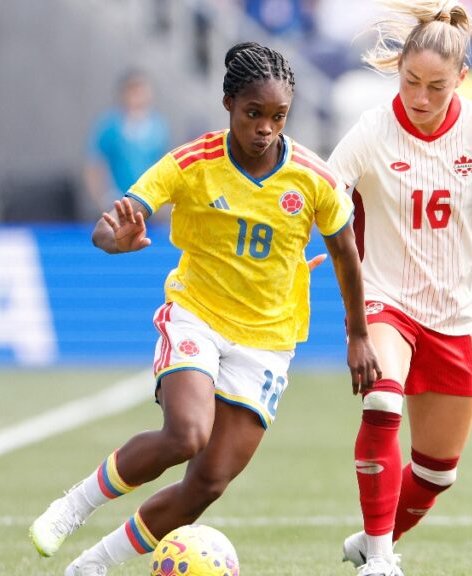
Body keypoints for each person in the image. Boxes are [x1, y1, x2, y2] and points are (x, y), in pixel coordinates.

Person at [29, 42, 380, 575]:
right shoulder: (192, 163)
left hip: (267, 341)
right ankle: (72, 506)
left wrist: (358, 335)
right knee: (186, 434)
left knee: (209, 481)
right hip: (197, 315)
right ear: (227, 104)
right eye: (253, 114)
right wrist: (112, 237)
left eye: (278, 116)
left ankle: (93, 566)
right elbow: (118, 217)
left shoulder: (314, 179)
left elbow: (345, 254)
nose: (265, 128)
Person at [325, 2, 472, 575]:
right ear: (397, 68)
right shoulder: (372, 130)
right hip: (386, 300)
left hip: (455, 315)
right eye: (410, 82)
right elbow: (324, 196)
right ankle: (380, 560)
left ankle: (369, 540)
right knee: (382, 399)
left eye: (436, 87)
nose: (420, 99)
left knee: (435, 474)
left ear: (462, 80)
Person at [84, 70, 170, 213]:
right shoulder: (110, 126)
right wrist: (102, 197)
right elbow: (94, 164)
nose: (138, 96)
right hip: (118, 202)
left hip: (148, 203)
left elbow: (162, 164)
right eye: (133, 90)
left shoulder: (158, 127)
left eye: (141, 90)